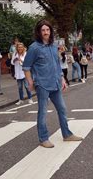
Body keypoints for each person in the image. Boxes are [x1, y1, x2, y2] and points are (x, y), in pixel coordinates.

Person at [23, 20, 83, 148]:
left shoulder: (53, 46)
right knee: (43, 112)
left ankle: (67, 134)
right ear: (39, 32)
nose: (46, 32)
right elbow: (26, 67)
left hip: (55, 83)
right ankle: (43, 138)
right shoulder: (34, 48)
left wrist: (62, 79)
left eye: (48, 30)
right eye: (43, 30)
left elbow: (57, 65)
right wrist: (30, 82)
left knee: (62, 109)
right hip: (42, 84)